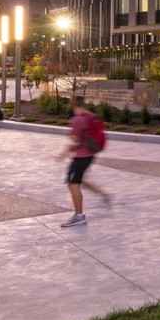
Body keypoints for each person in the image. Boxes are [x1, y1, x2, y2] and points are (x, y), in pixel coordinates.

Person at [58, 96, 110, 227]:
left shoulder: (77, 120)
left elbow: (75, 140)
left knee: (72, 184)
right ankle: (102, 194)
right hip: (90, 155)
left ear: (72, 105)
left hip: (81, 157)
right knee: (79, 181)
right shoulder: (89, 116)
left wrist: (64, 152)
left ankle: (79, 216)